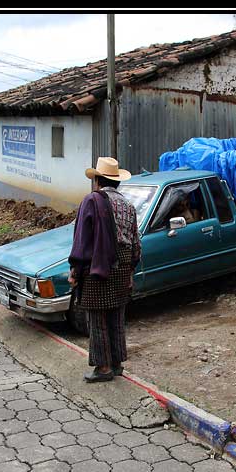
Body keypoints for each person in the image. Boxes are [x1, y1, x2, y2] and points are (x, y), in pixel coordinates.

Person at [68, 157, 141, 383]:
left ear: (97, 181)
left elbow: (83, 239)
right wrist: (130, 272)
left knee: (97, 317)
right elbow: (136, 243)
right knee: (116, 315)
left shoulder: (92, 201)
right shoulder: (128, 206)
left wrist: (75, 270)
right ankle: (117, 363)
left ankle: (103, 367)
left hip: (99, 266)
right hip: (123, 266)